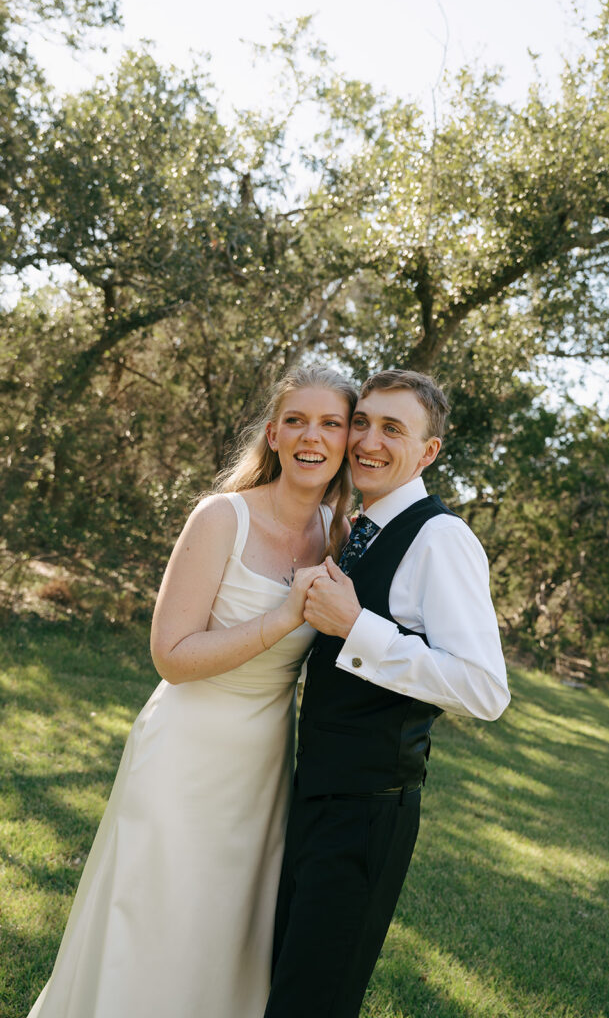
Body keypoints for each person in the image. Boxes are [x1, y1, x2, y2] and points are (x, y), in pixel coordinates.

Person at [27, 365, 357, 1018]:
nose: (310, 436)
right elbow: (171, 657)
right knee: (148, 920)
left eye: (330, 423)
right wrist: (283, 617)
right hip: (181, 752)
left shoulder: (339, 535)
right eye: (295, 420)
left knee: (222, 934)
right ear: (271, 434)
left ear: (349, 439)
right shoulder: (220, 518)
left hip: (260, 767)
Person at [264, 369, 510, 1018]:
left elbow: (485, 690)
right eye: (363, 422)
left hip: (368, 810)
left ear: (427, 453)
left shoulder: (441, 538)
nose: (368, 441)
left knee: (312, 999)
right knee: (283, 980)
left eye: (392, 430)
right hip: (315, 792)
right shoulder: (356, 528)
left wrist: (357, 628)